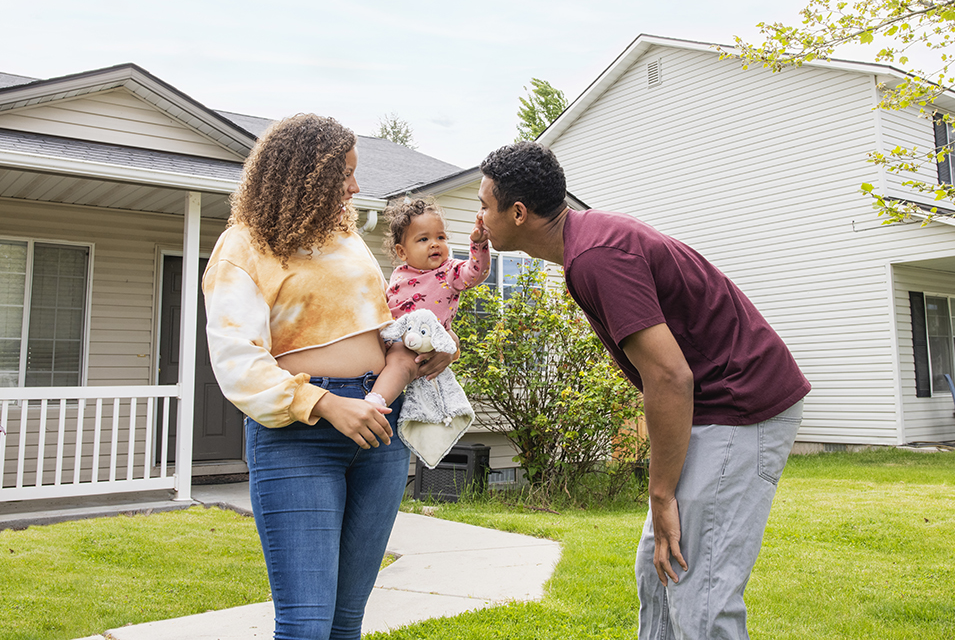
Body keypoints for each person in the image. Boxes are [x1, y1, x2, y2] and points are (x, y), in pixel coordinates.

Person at [476, 141, 811, 640]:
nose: (479, 219)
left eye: (484, 206)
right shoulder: (587, 244)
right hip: (710, 406)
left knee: (699, 590)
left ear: (518, 213)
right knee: (659, 577)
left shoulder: (595, 258)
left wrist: (661, 494)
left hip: (740, 405)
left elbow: (670, 377)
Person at [202, 114, 450, 640]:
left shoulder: (347, 241)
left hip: (379, 426)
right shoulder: (243, 246)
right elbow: (236, 361)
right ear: (304, 174)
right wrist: (326, 404)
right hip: (301, 435)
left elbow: (375, 325)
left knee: (345, 624)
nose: (356, 187)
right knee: (307, 625)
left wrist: (419, 354)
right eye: (345, 174)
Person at [363, 197, 489, 409]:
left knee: (401, 364)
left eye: (441, 237)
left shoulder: (450, 271)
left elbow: (476, 272)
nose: (434, 243)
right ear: (402, 252)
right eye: (423, 239)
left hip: (418, 341)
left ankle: (376, 402)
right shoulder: (398, 274)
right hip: (391, 337)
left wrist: (479, 245)